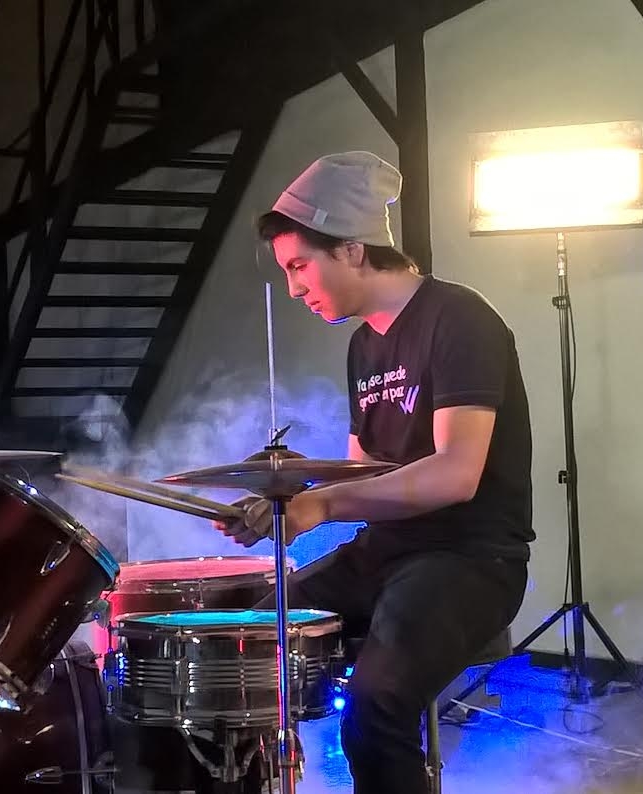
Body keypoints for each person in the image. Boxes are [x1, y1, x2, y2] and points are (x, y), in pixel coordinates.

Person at [214, 151, 535, 794]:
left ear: (352, 249)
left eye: (299, 266)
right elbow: (365, 474)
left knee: (375, 710)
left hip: (470, 560)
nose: (295, 288)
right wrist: (292, 486)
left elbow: (456, 473)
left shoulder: (459, 318)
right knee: (239, 648)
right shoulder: (364, 345)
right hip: (387, 553)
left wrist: (324, 505)